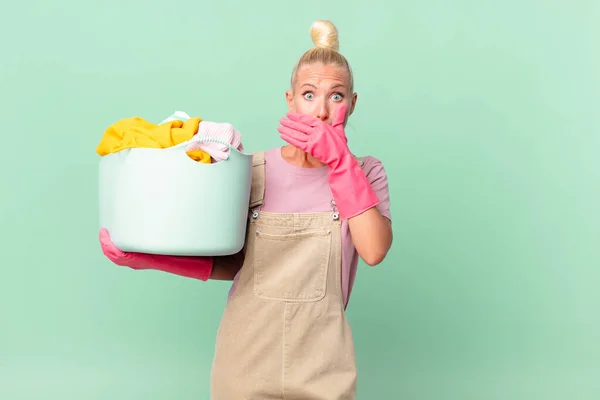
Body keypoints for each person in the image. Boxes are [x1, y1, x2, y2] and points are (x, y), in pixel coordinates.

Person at [99, 19, 392, 400]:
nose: (321, 111)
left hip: (323, 364)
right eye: (308, 94)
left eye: (336, 96)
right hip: (245, 362)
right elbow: (235, 263)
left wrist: (340, 164)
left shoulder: (366, 172)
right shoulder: (250, 170)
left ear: (351, 105)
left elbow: (374, 250)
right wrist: (148, 258)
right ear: (289, 100)